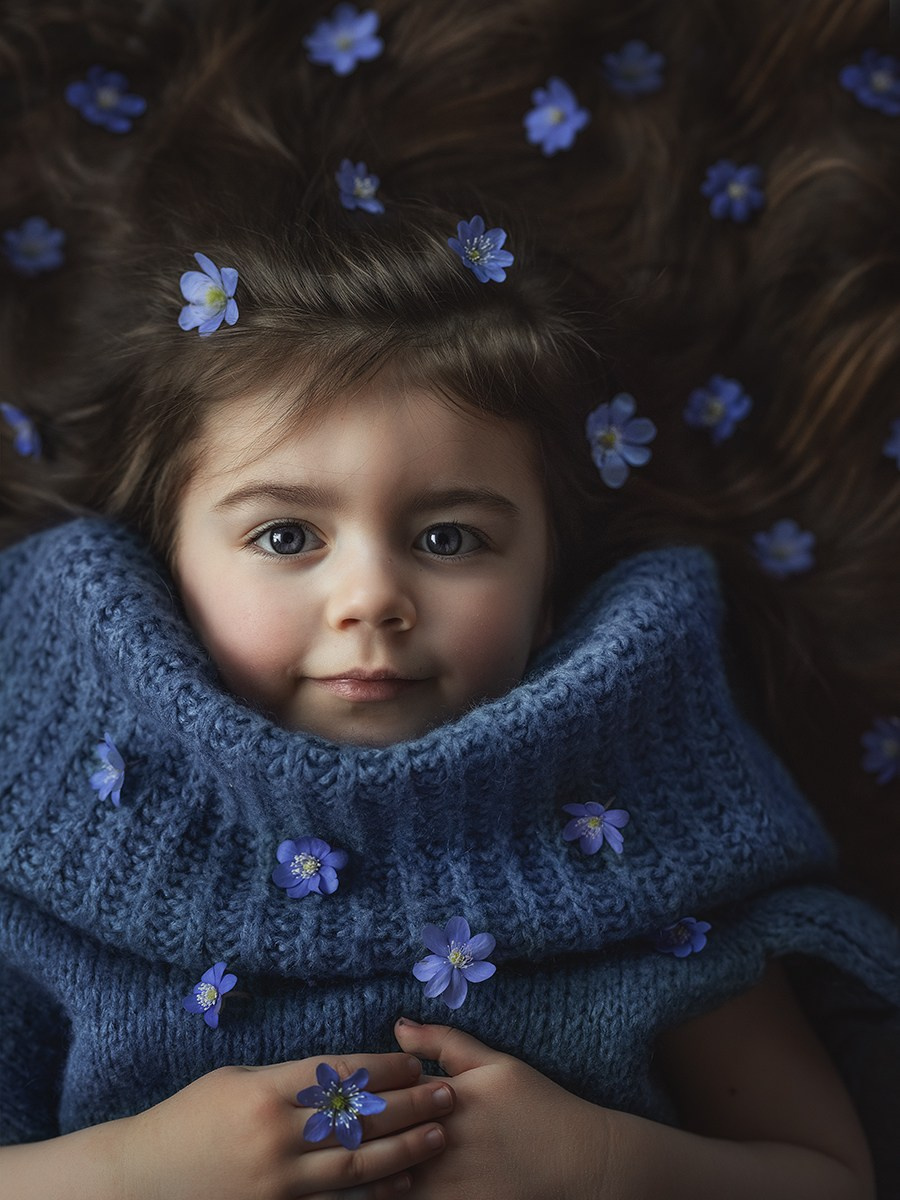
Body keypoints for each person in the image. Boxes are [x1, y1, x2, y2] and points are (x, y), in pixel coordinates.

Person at [1, 1, 899, 1197]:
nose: (372, 594)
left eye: (447, 535)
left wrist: (602, 1162)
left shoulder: (654, 836)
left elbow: (832, 1174)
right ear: (164, 559)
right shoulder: (58, 849)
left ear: (551, 574)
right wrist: (132, 1170)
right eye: (284, 534)